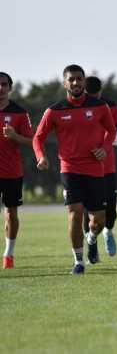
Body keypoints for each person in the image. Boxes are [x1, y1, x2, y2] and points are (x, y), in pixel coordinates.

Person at [33, 65, 116, 274]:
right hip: (69, 168)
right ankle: (78, 262)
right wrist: (41, 156)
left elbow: (112, 131)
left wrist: (104, 149)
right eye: (72, 79)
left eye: (79, 79)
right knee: (75, 214)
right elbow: (38, 137)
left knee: (99, 220)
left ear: (84, 81)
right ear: (65, 83)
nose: (76, 83)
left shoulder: (100, 106)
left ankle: (91, 238)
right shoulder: (54, 111)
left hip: (95, 169)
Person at [82, 76, 117, 257]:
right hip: (85, 166)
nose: (93, 99)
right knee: (88, 209)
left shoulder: (110, 106)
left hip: (107, 166)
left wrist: (111, 140)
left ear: (100, 92)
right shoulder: (77, 107)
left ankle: (108, 232)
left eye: (96, 95)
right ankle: (91, 244)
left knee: (110, 209)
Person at [0, 72, 33, 269]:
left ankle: (8, 254)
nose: (0, 88)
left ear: (10, 88)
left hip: (12, 172)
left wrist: (15, 136)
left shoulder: (20, 113)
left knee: (11, 214)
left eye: (4, 84)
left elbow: (33, 141)